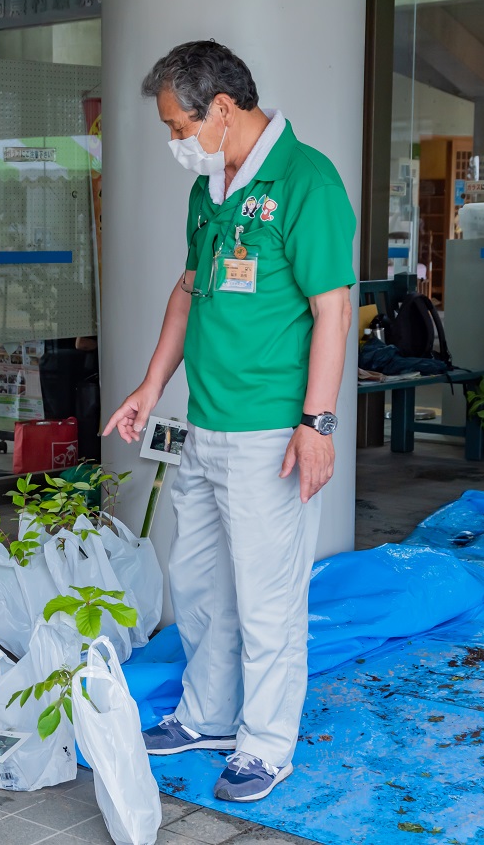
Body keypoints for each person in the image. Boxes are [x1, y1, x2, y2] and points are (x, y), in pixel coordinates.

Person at [103, 40, 355, 802]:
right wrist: (151, 385)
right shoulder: (210, 190)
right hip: (203, 426)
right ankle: (208, 715)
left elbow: (332, 311)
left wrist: (318, 423)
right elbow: (188, 292)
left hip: (270, 434)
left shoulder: (306, 181)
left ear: (222, 108)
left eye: (179, 125)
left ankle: (266, 744)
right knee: (203, 585)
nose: (175, 142)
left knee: (269, 597)